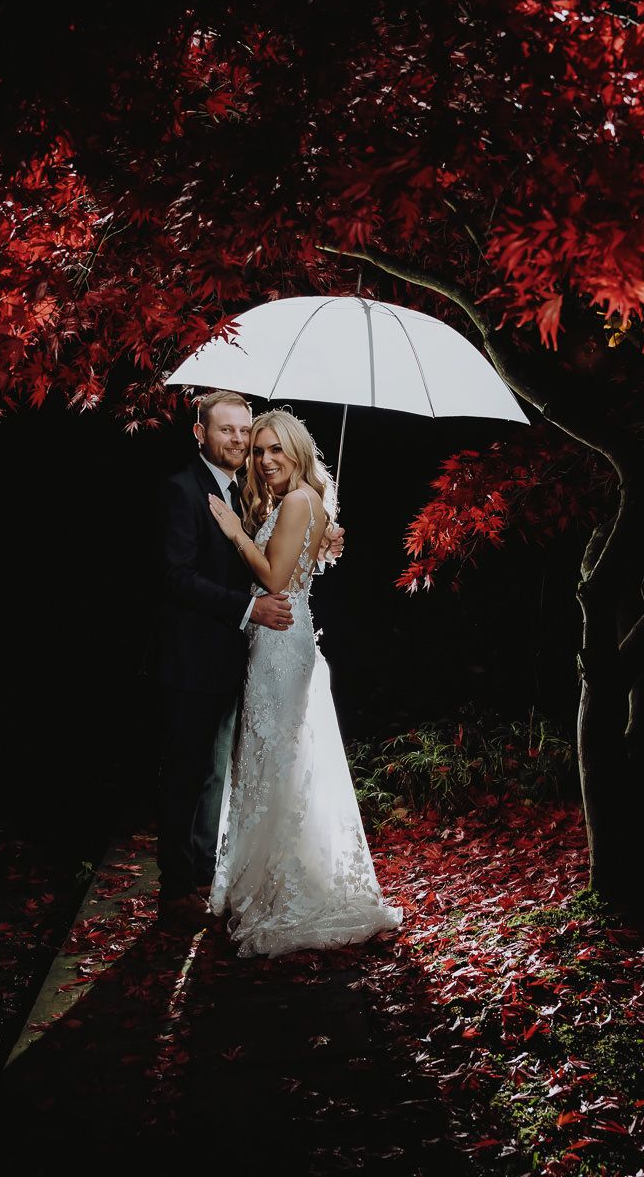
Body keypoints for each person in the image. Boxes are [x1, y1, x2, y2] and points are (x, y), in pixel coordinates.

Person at [204, 408, 404, 956]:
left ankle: (282, 888)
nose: (264, 459)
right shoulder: (303, 502)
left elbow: (271, 576)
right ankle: (269, 876)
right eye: (259, 450)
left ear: (297, 451)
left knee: (276, 760)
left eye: (275, 450)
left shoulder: (296, 501)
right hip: (282, 640)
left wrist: (236, 532)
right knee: (278, 760)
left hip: (281, 644)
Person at [153, 391, 296, 921]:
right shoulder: (181, 491)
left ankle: (205, 875)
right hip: (191, 662)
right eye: (226, 431)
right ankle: (175, 890)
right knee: (186, 773)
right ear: (200, 434)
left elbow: (262, 555)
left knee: (218, 774)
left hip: (238, 660)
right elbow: (177, 577)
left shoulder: (244, 492)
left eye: (244, 431)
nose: (237, 440)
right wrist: (248, 609)